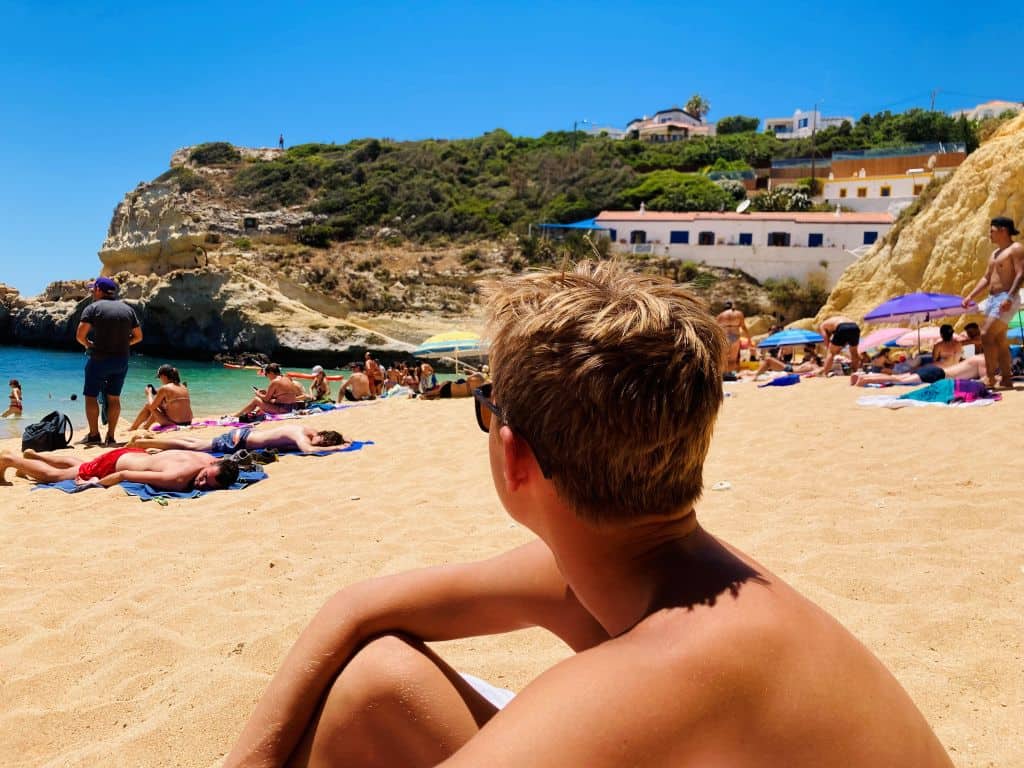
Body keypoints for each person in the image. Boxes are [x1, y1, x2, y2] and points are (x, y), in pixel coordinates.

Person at [224, 261, 952, 768]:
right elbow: (358, 609)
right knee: (376, 684)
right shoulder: (671, 578)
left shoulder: (667, 673)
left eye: (487, 407)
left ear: (514, 457)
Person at [75, 276, 143, 445]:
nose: (92, 292)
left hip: (99, 359)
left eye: (93, 289)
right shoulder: (128, 310)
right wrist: (123, 344)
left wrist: (89, 345)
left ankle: (94, 435)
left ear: (99, 290)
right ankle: (111, 436)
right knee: (114, 398)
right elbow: (138, 336)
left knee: (90, 396)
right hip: (121, 360)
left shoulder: (92, 308)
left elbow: (80, 336)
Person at [962, 216, 1024, 389]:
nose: (989, 234)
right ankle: (1006, 378)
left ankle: (990, 378)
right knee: (999, 340)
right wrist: (971, 296)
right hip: (992, 299)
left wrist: (1009, 297)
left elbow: (1020, 274)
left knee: (986, 334)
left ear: (1003, 230)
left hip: (1006, 297)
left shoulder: (1016, 248)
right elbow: (987, 277)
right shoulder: (994, 254)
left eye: (992, 230)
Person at [0, 447, 238, 491]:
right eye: (206, 478)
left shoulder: (207, 459)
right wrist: (94, 483)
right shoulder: (177, 479)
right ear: (212, 465)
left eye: (209, 485)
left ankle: (35, 455)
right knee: (56, 477)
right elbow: (124, 475)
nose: (202, 483)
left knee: (82, 465)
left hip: (134, 454)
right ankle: (10, 459)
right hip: (117, 464)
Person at [130, 423, 348, 454]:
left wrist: (342, 441)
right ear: (321, 436)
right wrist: (338, 449)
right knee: (199, 447)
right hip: (241, 440)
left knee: (197, 443)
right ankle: (143, 443)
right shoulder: (300, 434)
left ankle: (149, 442)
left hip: (244, 435)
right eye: (324, 442)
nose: (321, 445)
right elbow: (308, 450)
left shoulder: (306, 428)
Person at [851, 354, 988, 386]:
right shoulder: (983, 360)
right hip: (937, 375)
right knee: (899, 380)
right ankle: (865, 379)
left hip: (935, 370)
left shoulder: (976, 358)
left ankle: (864, 376)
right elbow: (985, 380)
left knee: (901, 378)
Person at [128, 365, 192, 430]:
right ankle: (146, 426)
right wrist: (156, 392)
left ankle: (133, 428)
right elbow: (171, 392)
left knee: (148, 405)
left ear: (163, 376)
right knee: (160, 406)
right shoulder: (183, 387)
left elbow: (152, 406)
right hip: (188, 422)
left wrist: (149, 393)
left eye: (159, 377)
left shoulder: (165, 388)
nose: (160, 380)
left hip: (174, 424)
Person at [234, 363, 307, 417]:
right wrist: (266, 392)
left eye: (266, 374)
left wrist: (258, 393)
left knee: (256, 400)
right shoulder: (287, 378)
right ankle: (241, 414)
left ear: (271, 373)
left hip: (284, 410)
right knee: (270, 400)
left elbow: (266, 399)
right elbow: (283, 394)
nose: (267, 376)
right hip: (293, 407)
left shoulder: (275, 381)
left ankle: (237, 415)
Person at [715, 300, 751, 372]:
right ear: (732, 306)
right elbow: (743, 327)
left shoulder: (720, 316)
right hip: (735, 336)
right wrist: (749, 338)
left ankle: (724, 374)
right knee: (733, 359)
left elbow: (716, 328)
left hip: (725, 337)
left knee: (724, 358)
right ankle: (730, 373)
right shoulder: (738, 314)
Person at [754, 344, 822, 378]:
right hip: (789, 367)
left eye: (813, 358)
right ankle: (756, 374)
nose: (811, 358)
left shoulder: (814, 366)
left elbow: (818, 371)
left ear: (815, 360)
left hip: (789, 369)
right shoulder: (808, 362)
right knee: (768, 362)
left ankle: (755, 376)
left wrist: (794, 374)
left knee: (768, 359)